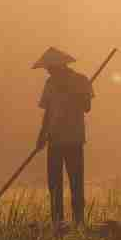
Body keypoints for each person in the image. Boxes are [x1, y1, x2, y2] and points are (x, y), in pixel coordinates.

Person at [33, 47, 94, 229]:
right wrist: (41, 135)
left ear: (60, 65)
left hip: (74, 138)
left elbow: (87, 107)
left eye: (50, 67)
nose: (48, 70)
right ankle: (58, 222)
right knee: (54, 183)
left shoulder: (80, 80)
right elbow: (48, 112)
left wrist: (74, 93)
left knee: (76, 181)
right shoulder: (50, 84)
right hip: (54, 138)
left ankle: (79, 221)